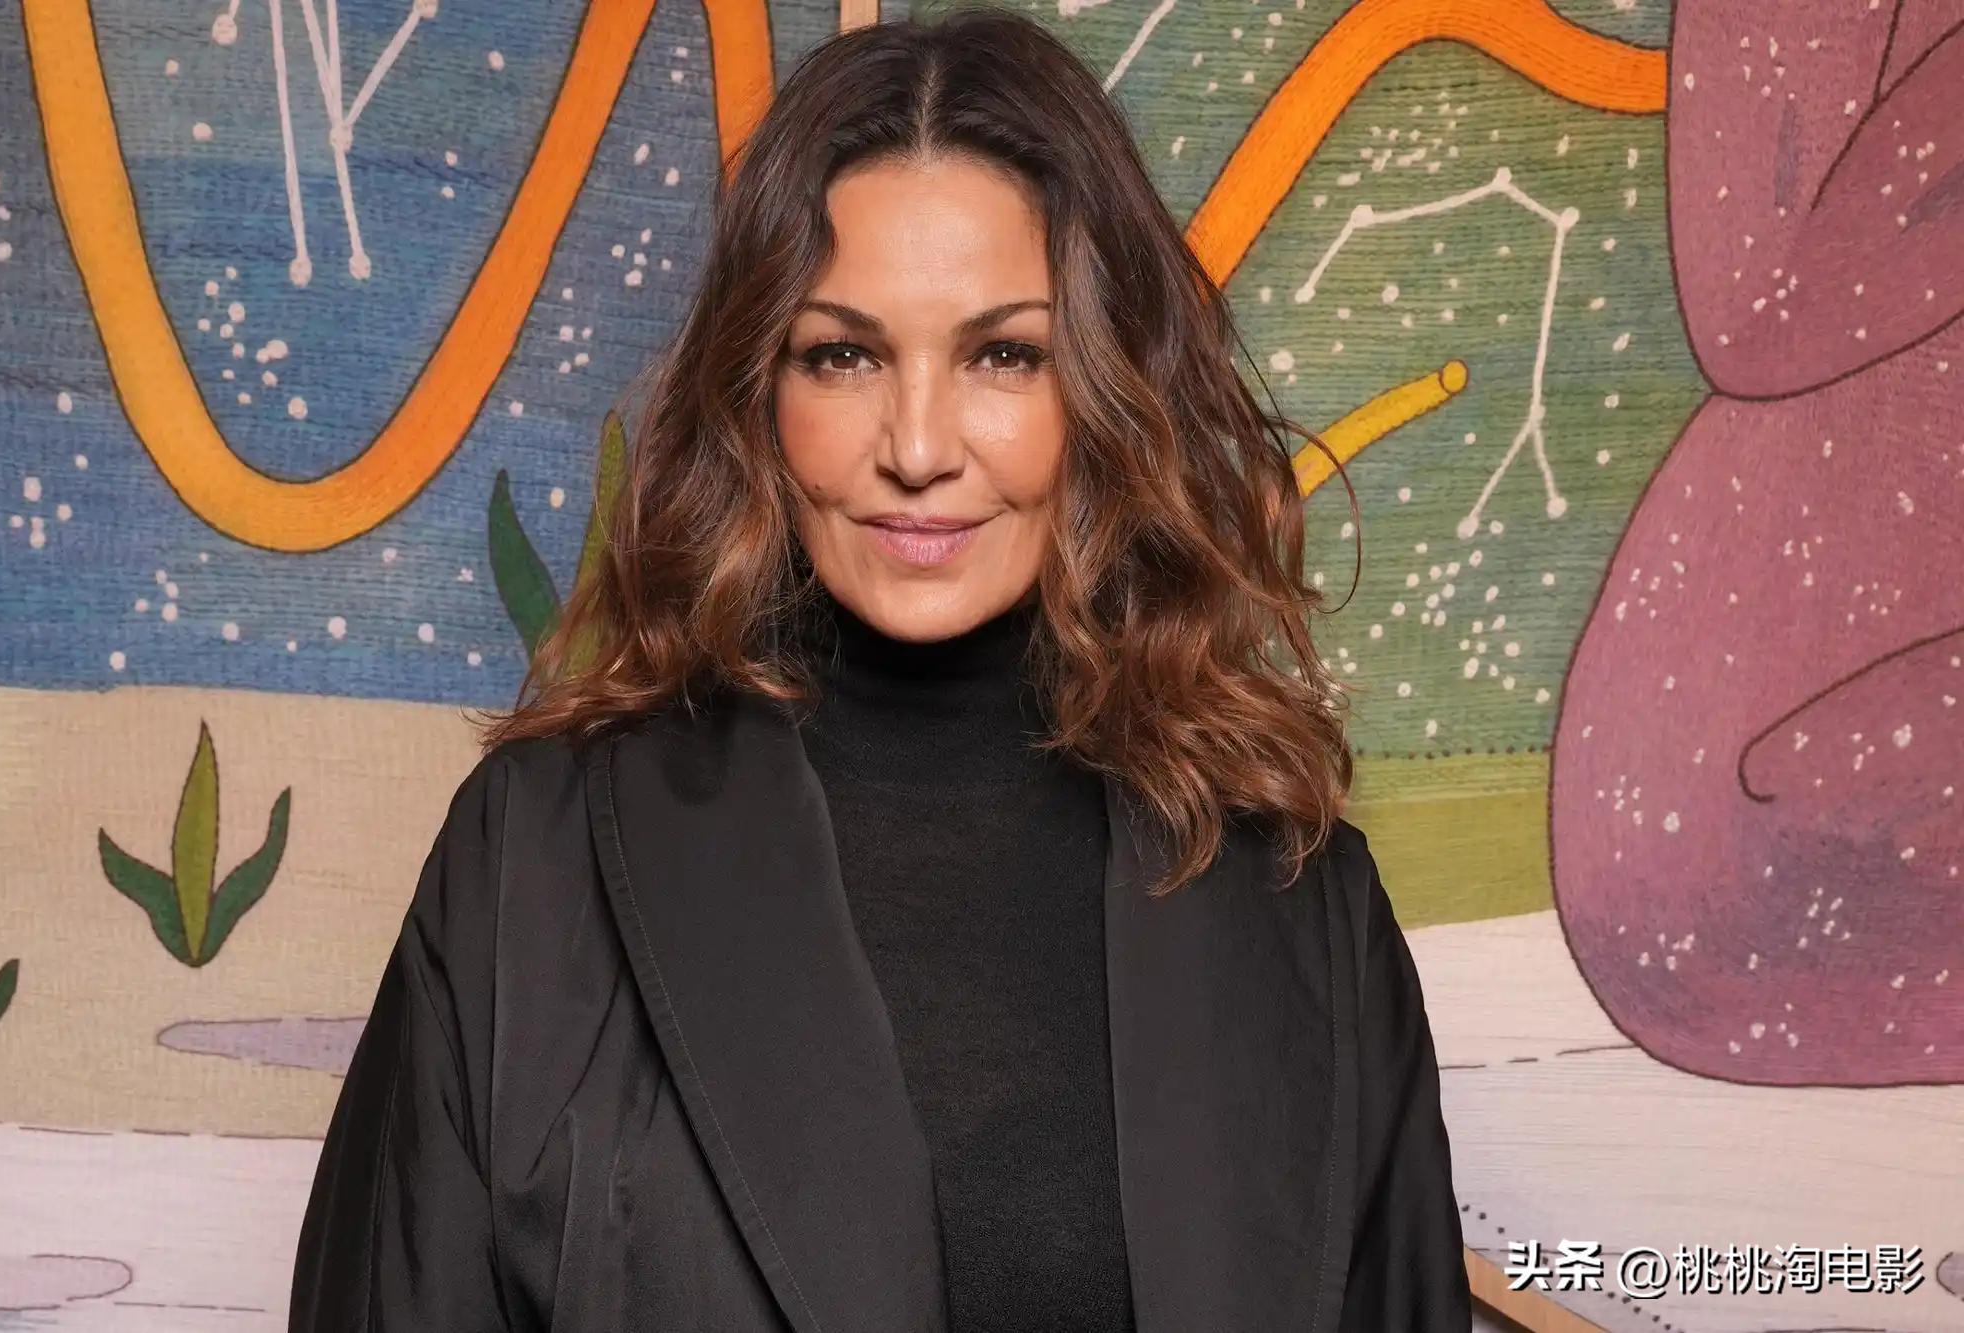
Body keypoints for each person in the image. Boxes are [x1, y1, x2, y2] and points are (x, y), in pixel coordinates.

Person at [288, 7, 1472, 1330]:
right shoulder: (533, 862)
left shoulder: (1303, 904)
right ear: (759, 388)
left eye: (1004, 355)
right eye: (843, 354)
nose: (917, 447)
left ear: (1105, 384)